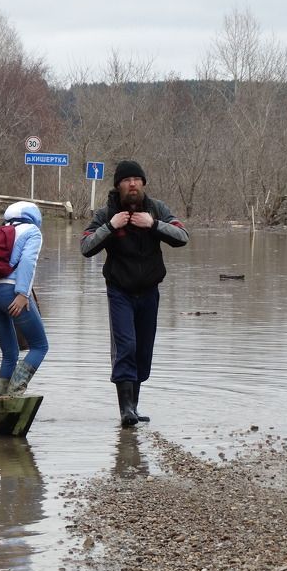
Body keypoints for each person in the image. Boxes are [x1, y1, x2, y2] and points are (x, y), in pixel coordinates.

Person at [80, 160, 189, 427]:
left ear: (143, 184)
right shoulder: (107, 213)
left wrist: (154, 224)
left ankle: (135, 407)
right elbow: (85, 246)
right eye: (127, 180)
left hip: (149, 291)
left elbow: (182, 236)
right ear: (118, 185)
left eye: (137, 180)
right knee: (126, 346)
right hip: (120, 291)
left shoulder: (157, 209)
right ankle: (126, 409)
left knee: (142, 351)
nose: (132, 184)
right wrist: (111, 226)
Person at [0, 201, 48, 396]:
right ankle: (14, 393)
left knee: (9, 353)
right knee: (40, 346)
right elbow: (28, 261)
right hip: (12, 293)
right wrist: (22, 293)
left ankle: (1, 398)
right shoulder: (32, 231)